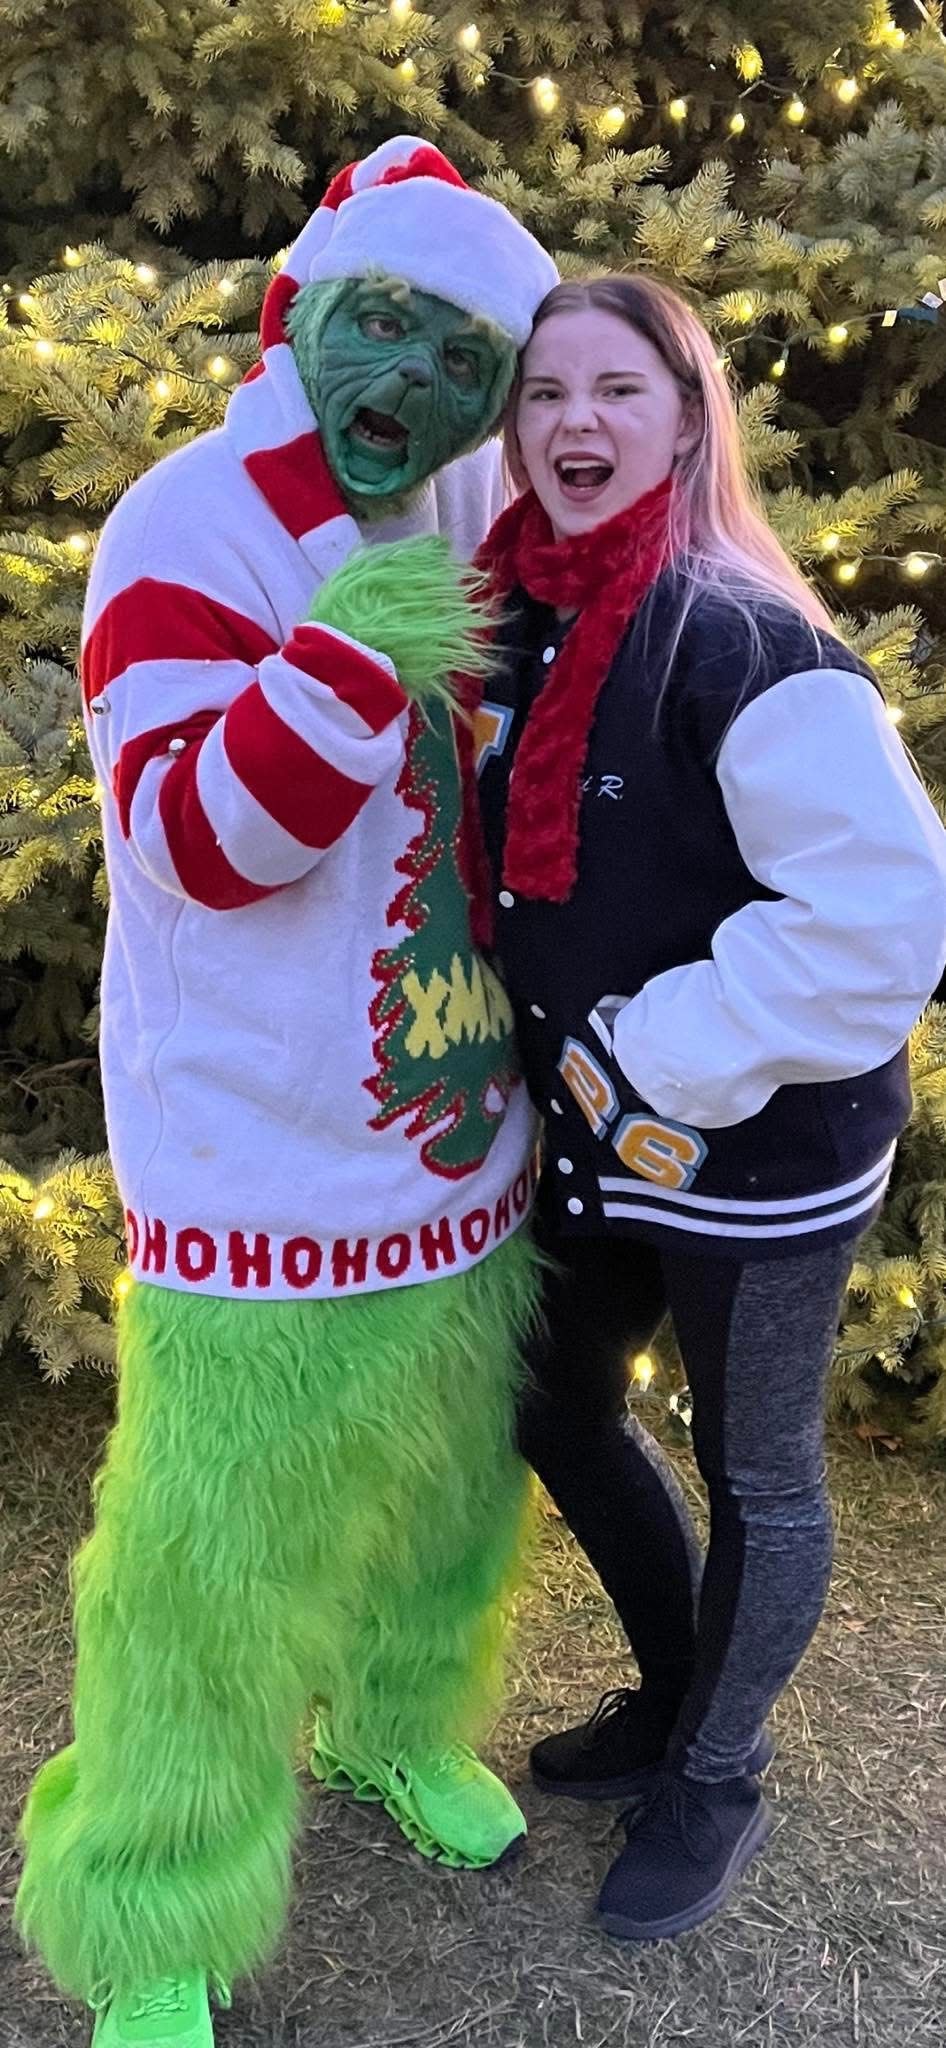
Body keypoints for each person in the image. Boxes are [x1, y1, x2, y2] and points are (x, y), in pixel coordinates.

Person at [14, 137, 557, 2048]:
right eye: (379, 324)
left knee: (441, 1503)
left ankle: (401, 1727)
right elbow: (185, 841)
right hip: (260, 1166)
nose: (408, 384)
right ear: (299, 311)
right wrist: (338, 662)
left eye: (461, 357)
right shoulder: (183, 526)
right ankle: (149, 1893)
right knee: (208, 1566)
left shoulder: (477, 489)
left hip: (459, 1134)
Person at [471, 274, 946, 1942]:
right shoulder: (513, 609)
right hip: (599, 1142)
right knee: (552, 1403)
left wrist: (648, 1050)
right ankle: (676, 1691)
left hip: (760, 1149)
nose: (574, 424)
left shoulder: (743, 637)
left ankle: (719, 1771)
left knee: (758, 1478)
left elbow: (878, 926)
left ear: (686, 419)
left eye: (616, 390)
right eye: (542, 395)